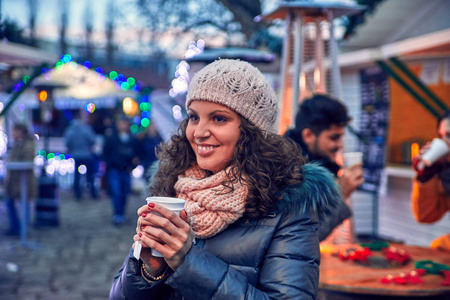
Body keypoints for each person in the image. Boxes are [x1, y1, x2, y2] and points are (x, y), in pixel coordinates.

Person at [110, 59, 342, 299]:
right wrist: (149, 271)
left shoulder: (288, 204)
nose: (199, 133)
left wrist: (187, 261)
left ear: (252, 130)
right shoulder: (171, 185)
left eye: (219, 118)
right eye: (194, 117)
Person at [284, 94, 364, 243]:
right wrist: (340, 193)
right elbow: (300, 239)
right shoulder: (286, 171)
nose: (339, 145)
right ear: (308, 135)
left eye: (340, 137)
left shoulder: (316, 164)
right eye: (334, 137)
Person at [411, 110, 450, 252]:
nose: (446, 144)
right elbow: (426, 215)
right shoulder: (446, 174)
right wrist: (426, 175)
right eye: (443, 137)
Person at [103, 115, 140, 226]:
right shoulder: (111, 138)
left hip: (126, 170)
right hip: (114, 170)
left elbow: (137, 154)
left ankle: (121, 213)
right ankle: (117, 214)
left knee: (124, 192)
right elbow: (106, 153)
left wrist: (133, 166)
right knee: (116, 192)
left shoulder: (133, 139)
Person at [4, 123, 37, 236]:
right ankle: (18, 228)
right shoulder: (18, 143)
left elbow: (26, 160)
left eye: (14, 131)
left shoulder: (27, 144)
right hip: (15, 180)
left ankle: (23, 230)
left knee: (24, 204)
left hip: (23, 180)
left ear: (20, 131)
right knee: (11, 201)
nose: (13, 133)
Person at [64, 110, 98, 200]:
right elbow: (92, 140)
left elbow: (67, 142)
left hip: (75, 155)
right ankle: (93, 193)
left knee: (76, 176)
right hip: (87, 154)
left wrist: (73, 149)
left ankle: (77, 194)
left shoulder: (70, 129)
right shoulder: (86, 128)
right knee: (89, 175)